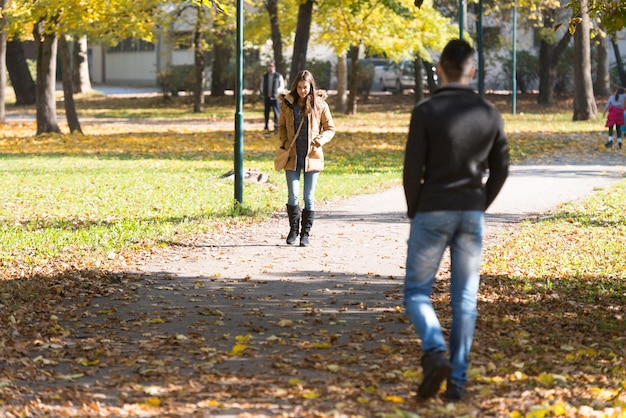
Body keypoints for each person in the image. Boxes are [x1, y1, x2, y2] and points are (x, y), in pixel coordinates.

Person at [402, 39, 510, 403]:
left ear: (440, 68)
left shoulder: (426, 110)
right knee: (465, 299)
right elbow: (501, 168)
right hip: (470, 211)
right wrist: (480, 203)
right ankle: (458, 383)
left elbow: (411, 169)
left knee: (417, 292)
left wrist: (414, 210)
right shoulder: (488, 112)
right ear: (472, 71)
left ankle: (434, 350)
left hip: (432, 207)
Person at [277, 70, 335, 247]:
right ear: (296, 87)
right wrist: (284, 141)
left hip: (312, 156)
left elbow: (330, 128)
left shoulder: (320, 104)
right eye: (300, 87)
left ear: (311, 87)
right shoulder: (287, 104)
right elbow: (281, 127)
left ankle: (305, 234)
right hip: (292, 156)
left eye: (305, 87)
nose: (302, 91)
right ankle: (293, 230)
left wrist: (321, 140)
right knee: (293, 195)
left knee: (308, 197)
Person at [260, 62, 285, 131]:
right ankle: (266, 126)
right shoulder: (265, 76)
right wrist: (263, 92)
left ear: (274, 67)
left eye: (272, 66)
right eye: (269, 66)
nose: (270, 67)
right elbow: (262, 85)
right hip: (267, 97)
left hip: (275, 98)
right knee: (266, 112)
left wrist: (277, 92)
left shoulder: (278, 76)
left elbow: (281, 86)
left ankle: (276, 126)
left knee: (276, 112)